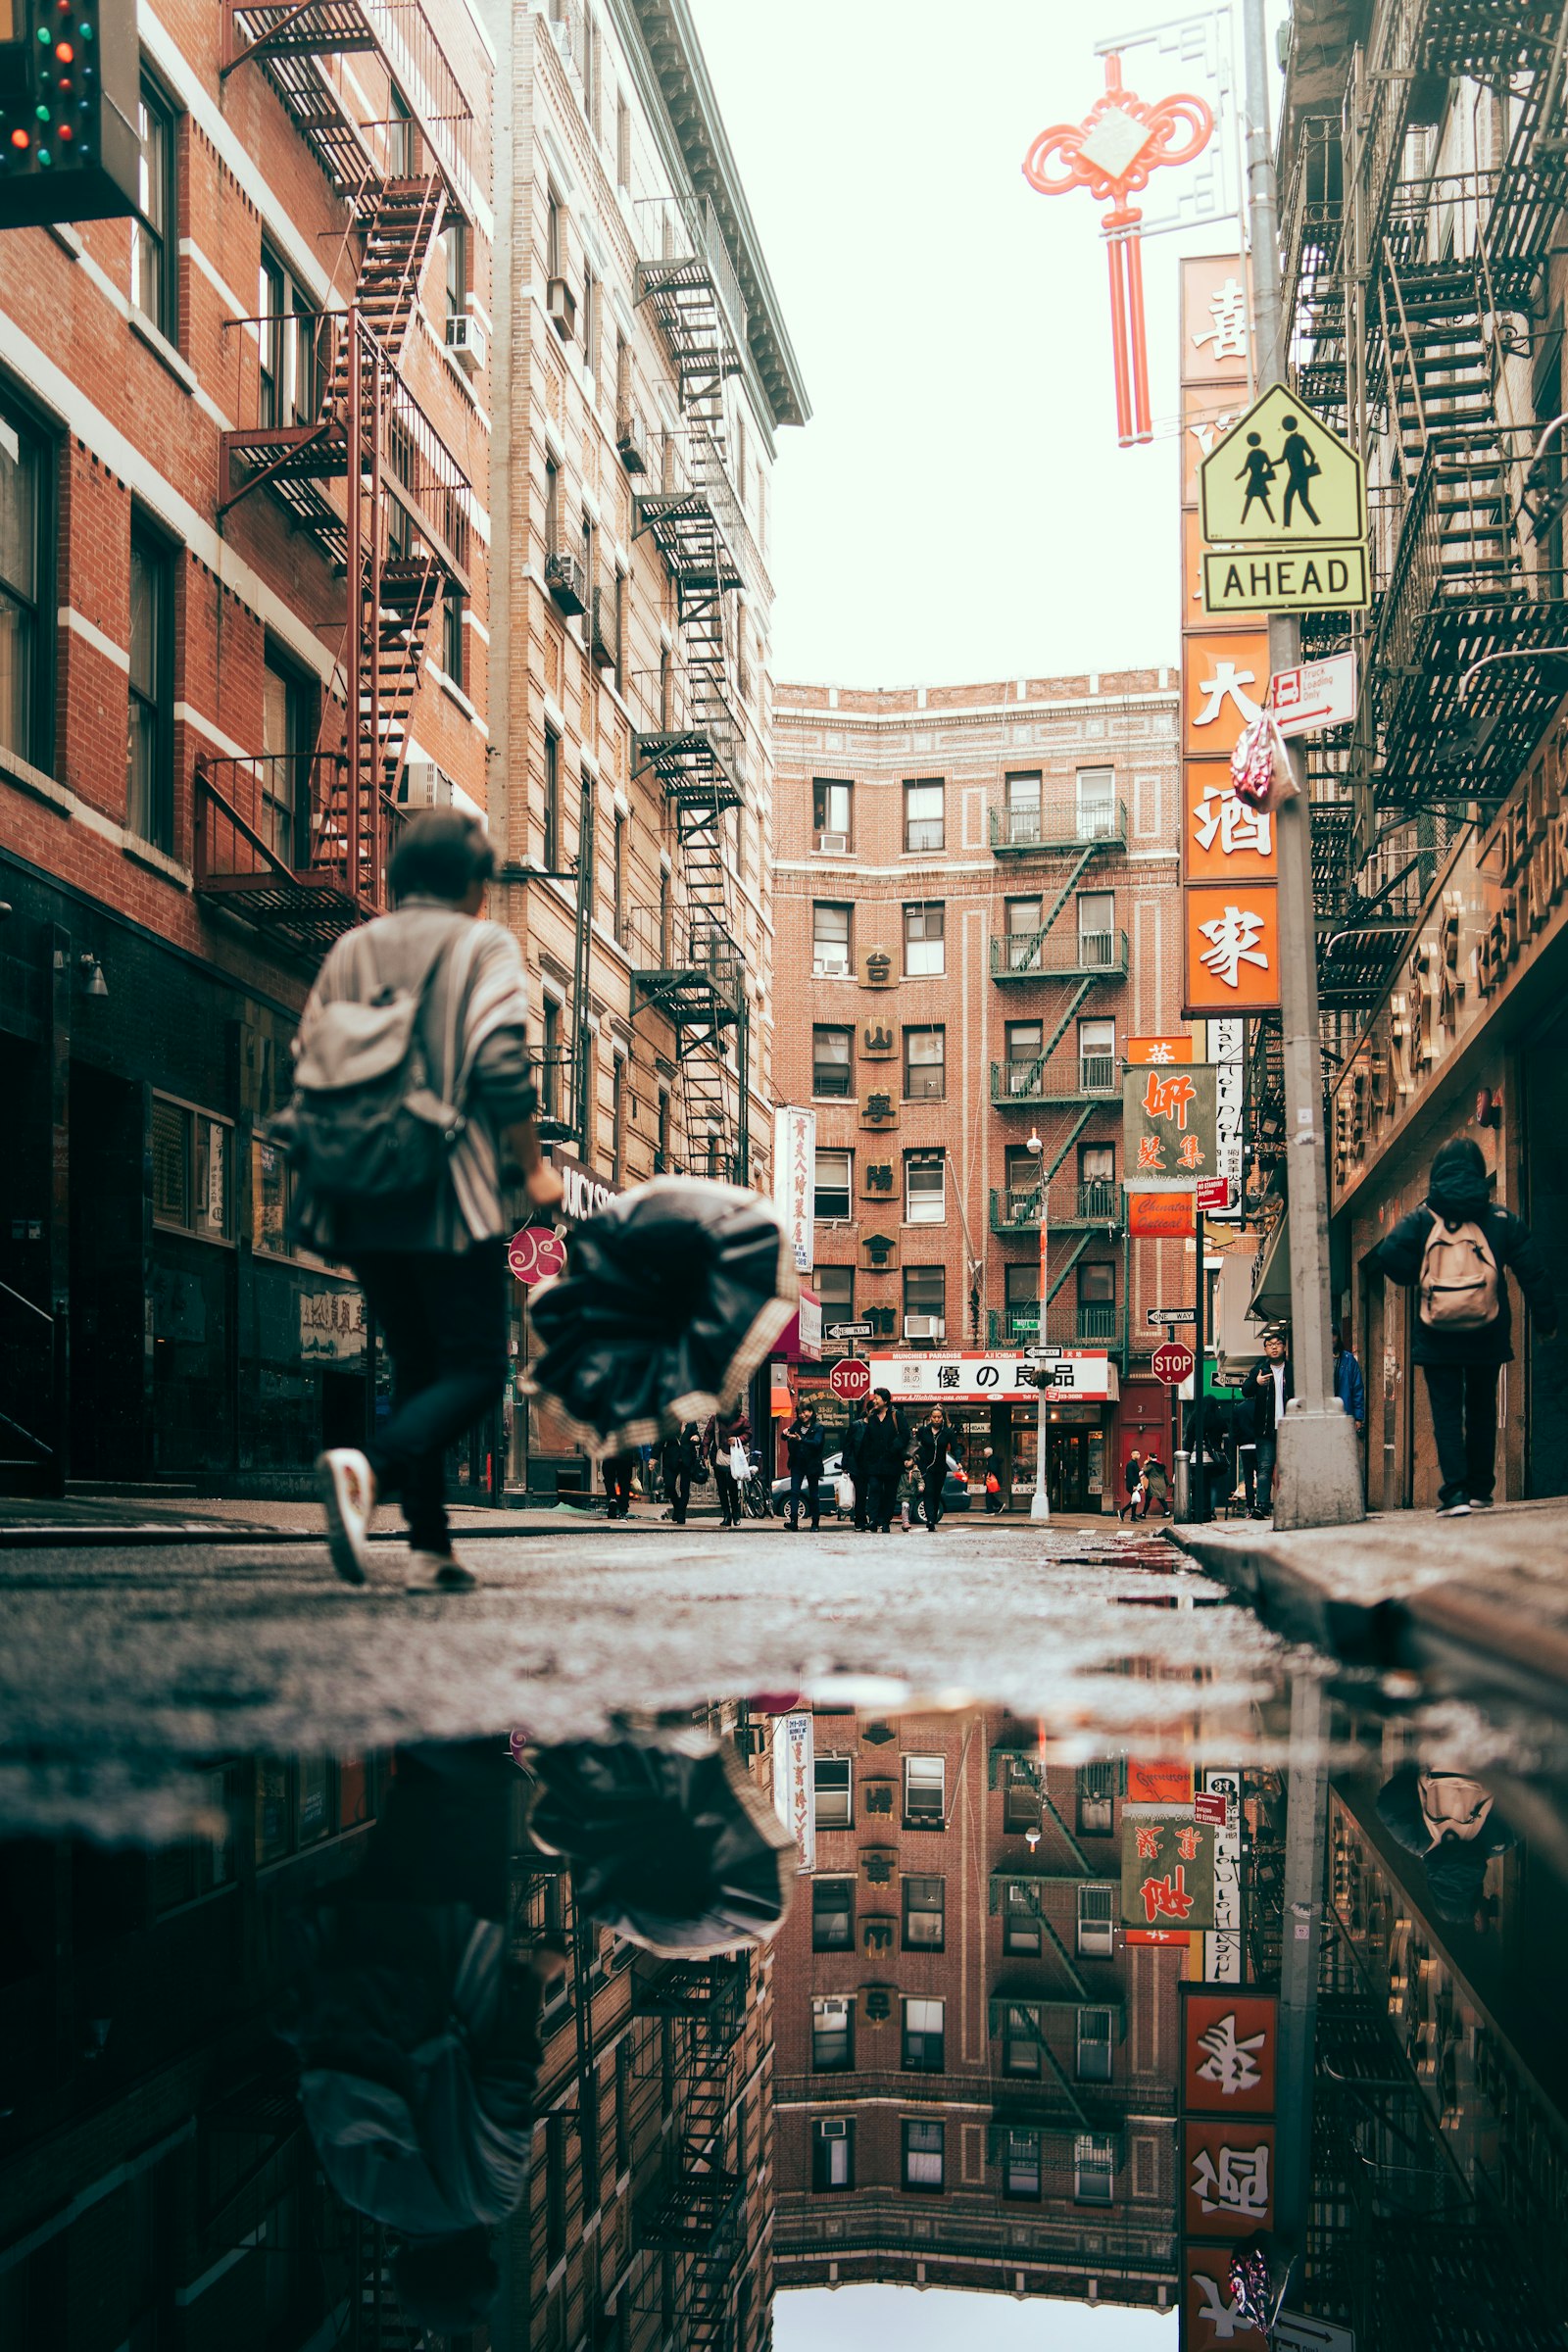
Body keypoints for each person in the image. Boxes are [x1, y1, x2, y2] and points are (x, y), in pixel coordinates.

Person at [297, 810, 562, 1592]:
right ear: (473, 883)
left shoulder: (353, 948)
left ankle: (429, 1548)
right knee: (478, 1372)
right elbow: (502, 1065)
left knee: (417, 1367)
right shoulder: (482, 946)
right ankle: (367, 1471)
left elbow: (309, 1057)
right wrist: (533, 1168)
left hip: (362, 1194)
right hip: (450, 1192)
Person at [276, 1741, 564, 2336]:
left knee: (477, 1786)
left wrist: (536, 1976)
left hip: (446, 1951)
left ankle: (420, 1674)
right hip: (363, 1946)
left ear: (473, 2259)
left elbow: (508, 2078)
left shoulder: (486, 2196)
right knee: (414, 1800)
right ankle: (410, 1694)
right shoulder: (359, 2189)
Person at [1370, 1135, 1557, 1516]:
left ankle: (1454, 1494)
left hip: (1436, 1332)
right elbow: (1533, 1271)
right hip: (1486, 1331)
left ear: (1437, 1174)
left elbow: (1388, 1254)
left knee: (1446, 1411)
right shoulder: (1501, 1219)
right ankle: (1480, 1489)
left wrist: (1416, 1278)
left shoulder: (1423, 1218)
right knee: (1482, 1407)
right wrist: (1546, 1320)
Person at [1375, 1761, 1515, 1928]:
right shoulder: (1415, 1840)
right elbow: (1387, 1804)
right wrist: (1417, 1769)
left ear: (1478, 1891)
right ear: (1434, 1889)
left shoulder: (1499, 1843)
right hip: (1440, 1751)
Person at [1241, 1329, 1292, 1518]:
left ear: (1284, 1347)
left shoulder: (1292, 1369)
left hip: (1289, 1428)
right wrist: (1256, 1382)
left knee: (1290, 1467)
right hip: (1265, 1429)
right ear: (1265, 1350)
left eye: (1278, 1344)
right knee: (1265, 1467)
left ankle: (1289, 1502)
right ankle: (1262, 1505)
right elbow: (1245, 1391)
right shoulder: (1260, 1369)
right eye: (1270, 1345)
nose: (1274, 1348)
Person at [859, 1386, 907, 1533]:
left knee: (889, 1493)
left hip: (892, 1462)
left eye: (877, 1398)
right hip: (875, 1463)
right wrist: (865, 1458)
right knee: (874, 1489)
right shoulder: (872, 1418)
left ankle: (885, 1521)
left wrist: (893, 1449)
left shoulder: (896, 1415)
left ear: (885, 1400)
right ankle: (873, 1520)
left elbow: (905, 1435)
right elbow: (867, 1439)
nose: (874, 1400)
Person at [783, 1401, 826, 1531]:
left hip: (812, 1464)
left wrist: (801, 1440)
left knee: (814, 1494)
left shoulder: (818, 1427)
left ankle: (815, 1524)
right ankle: (793, 1522)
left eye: (805, 1412)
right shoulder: (797, 1425)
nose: (802, 1415)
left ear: (811, 1412)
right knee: (794, 1492)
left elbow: (817, 1443)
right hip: (797, 1463)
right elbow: (785, 1437)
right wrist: (785, 1433)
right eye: (800, 1413)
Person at [706, 1406, 750, 1528]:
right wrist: (704, 1455)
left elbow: (748, 1433)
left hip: (733, 1458)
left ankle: (736, 1515)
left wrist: (738, 1439)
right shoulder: (715, 1419)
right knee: (721, 1488)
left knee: (732, 1486)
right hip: (719, 1457)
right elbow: (707, 1436)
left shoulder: (741, 1419)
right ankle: (726, 1515)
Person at [912, 1406, 952, 1531]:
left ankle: (933, 1517)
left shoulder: (947, 1432)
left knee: (936, 1494)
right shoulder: (924, 1431)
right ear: (930, 1418)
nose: (936, 1419)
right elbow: (914, 1445)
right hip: (926, 1468)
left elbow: (955, 1447)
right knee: (928, 1492)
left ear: (942, 1418)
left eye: (939, 1417)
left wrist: (960, 1461)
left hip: (940, 1468)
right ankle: (930, 1520)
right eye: (934, 1417)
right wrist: (913, 1457)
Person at [660, 1422, 701, 1525]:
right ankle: (677, 1506)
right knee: (669, 1485)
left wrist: (696, 1438)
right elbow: (661, 1439)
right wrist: (653, 1457)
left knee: (684, 1488)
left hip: (687, 1459)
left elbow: (697, 1435)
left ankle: (681, 1513)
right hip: (671, 1458)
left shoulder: (691, 1423)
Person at [1333, 1331, 1366, 1449]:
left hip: (1345, 1413)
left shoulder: (1348, 1359)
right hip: (1325, 1413)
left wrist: (1358, 1417)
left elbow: (1357, 1389)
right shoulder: (1318, 1360)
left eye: (1334, 1334)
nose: (1331, 1338)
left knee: (1344, 1449)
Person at [842, 1403, 869, 1530]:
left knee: (874, 1493)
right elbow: (848, 1445)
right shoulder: (856, 1426)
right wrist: (845, 1464)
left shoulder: (878, 1425)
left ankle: (872, 1519)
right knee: (861, 1494)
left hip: (873, 1465)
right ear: (868, 1411)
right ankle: (860, 1520)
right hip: (857, 1466)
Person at [602, 1449, 635, 1519]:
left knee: (609, 1480)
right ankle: (623, 1510)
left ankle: (612, 1499)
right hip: (626, 1455)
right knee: (625, 1483)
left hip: (609, 1454)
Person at [1139, 1451, 1171, 1518]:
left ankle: (1143, 1514)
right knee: (1161, 1499)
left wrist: (1145, 1464)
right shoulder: (1161, 1465)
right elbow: (1165, 1476)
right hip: (1161, 1484)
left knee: (1148, 1499)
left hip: (1153, 1484)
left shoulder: (1151, 1465)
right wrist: (1168, 1483)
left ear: (1150, 1457)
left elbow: (1145, 1470)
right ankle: (1167, 1512)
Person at [1119, 1448, 1144, 1523]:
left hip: (1136, 1485)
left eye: (1139, 1454)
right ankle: (1123, 1512)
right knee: (1134, 1500)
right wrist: (1134, 1485)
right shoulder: (1131, 1464)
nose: (1138, 1455)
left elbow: (1136, 1475)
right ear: (1132, 1455)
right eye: (1136, 1454)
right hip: (1132, 1486)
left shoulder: (1135, 1463)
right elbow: (1130, 1476)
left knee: (1135, 1500)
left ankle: (1132, 1516)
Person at [982, 1445, 1004, 1515]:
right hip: (995, 1479)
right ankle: (999, 1505)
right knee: (990, 1495)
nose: (984, 1455)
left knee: (988, 1495)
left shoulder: (991, 1459)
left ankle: (990, 1511)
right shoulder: (993, 1459)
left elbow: (993, 1469)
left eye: (985, 1453)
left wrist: (986, 1473)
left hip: (992, 1480)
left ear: (988, 1453)